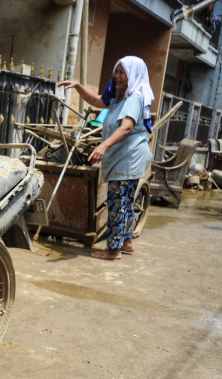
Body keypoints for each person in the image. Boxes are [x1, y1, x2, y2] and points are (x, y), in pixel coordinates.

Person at [59, 56, 154, 260]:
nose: (116, 76)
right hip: (128, 157)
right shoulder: (119, 96)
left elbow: (126, 127)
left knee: (117, 202)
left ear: (133, 75)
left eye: (122, 72)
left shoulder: (134, 98)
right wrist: (78, 87)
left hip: (128, 158)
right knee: (127, 201)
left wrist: (103, 145)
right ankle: (127, 242)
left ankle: (113, 249)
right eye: (116, 71)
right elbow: (96, 101)